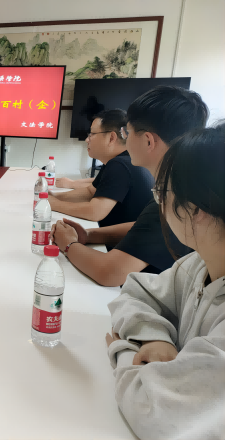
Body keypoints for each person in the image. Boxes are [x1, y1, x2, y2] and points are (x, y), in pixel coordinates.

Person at [104, 123, 225, 440]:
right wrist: (154, 338)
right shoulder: (199, 263)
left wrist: (123, 349)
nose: (160, 204)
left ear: (195, 209)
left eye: (162, 194)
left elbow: (153, 411)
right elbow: (136, 291)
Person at [51, 86, 209, 286]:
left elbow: (109, 273)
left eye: (127, 132)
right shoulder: (181, 185)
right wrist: (89, 234)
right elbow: (145, 227)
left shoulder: (176, 199)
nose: (124, 138)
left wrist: (68, 243)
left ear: (148, 141)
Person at [48, 109, 154, 228]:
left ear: (111, 138)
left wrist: (54, 204)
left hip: (121, 239)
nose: (87, 139)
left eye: (92, 134)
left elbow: (94, 212)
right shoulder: (120, 160)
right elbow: (90, 192)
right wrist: (54, 196)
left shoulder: (120, 165)